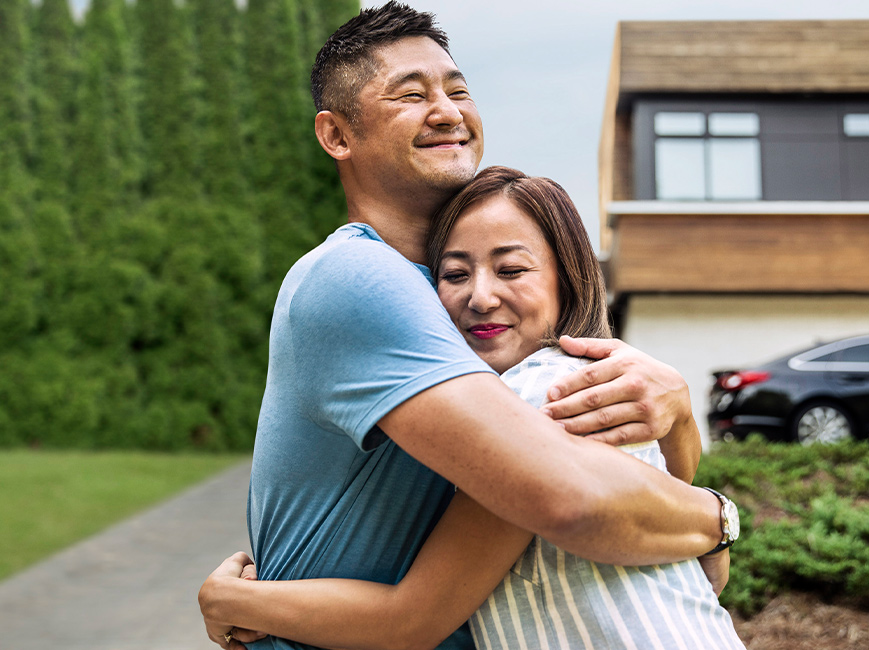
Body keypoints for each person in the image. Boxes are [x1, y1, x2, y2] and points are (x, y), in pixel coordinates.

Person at [202, 4, 733, 649]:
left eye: (458, 90)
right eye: (410, 94)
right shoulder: (360, 278)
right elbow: (570, 499)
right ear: (337, 136)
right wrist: (720, 515)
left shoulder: (459, 314)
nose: (448, 111)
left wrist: (677, 417)